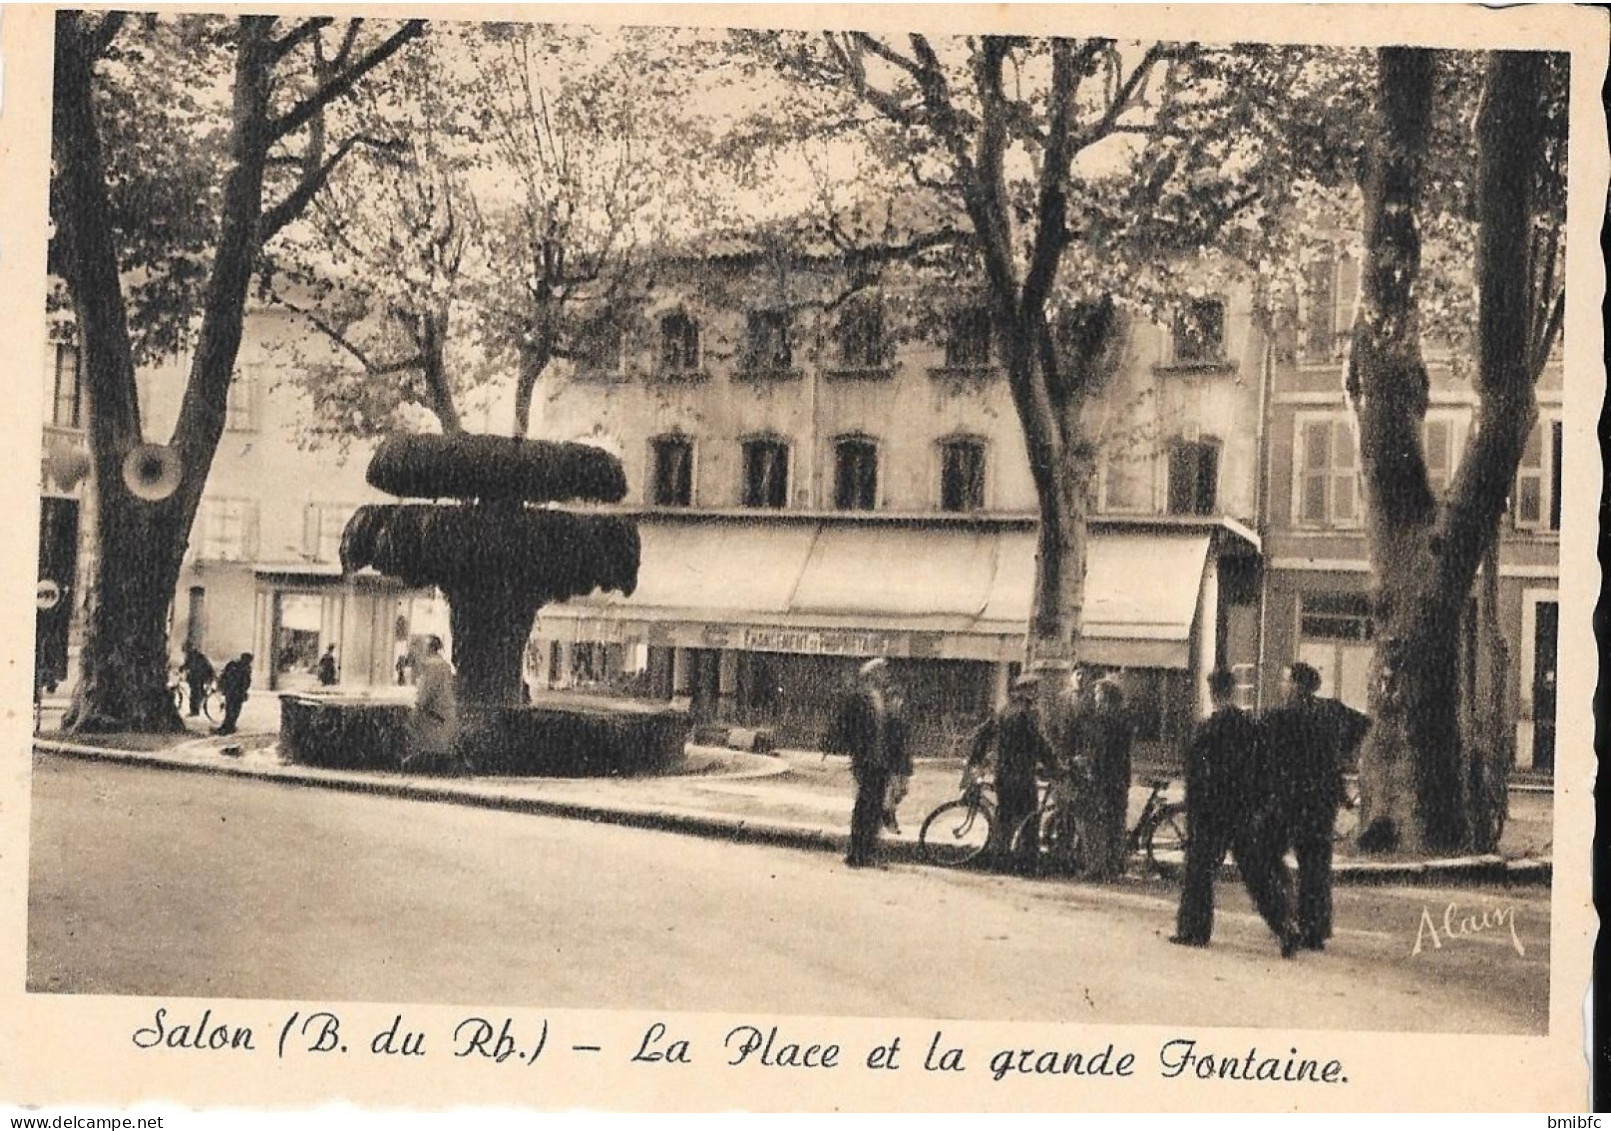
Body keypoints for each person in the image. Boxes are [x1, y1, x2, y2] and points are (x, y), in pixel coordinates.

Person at [1172, 667, 1300, 956]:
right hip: (1242, 811)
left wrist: (1194, 813)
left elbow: (1195, 778)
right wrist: (1258, 805)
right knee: (1257, 875)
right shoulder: (1251, 727)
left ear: (1213, 693)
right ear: (1232, 691)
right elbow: (1265, 771)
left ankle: (1194, 930)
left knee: (1199, 873)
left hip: (1209, 814)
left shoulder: (1205, 730)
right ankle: (1285, 926)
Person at [1262, 661, 1350, 951]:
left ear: (1298, 686)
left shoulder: (1280, 718)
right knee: (1316, 867)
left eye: (1286, 681)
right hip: (1320, 804)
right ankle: (1314, 928)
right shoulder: (1330, 713)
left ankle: (1284, 915)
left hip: (1288, 802)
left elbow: (1268, 761)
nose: (1282, 686)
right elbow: (1356, 730)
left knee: (1267, 855)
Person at [966, 672, 1056, 873]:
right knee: (1030, 818)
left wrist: (975, 760)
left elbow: (982, 734)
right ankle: (1027, 865)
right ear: (1025, 691)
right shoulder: (1028, 713)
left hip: (1003, 773)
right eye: (1034, 689)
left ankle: (999, 862)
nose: (1037, 693)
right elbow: (1039, 744)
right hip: (1022, 775)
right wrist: (1054, 766)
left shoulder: (1003, 710)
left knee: (1004, 818)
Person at [826, 658, 894, 868]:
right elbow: (846, 725)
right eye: (882, 672)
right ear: (872, 675)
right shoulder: (860, 698)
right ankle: (857, 852)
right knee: (865, 806)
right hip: (866, 760)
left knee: (875, 807)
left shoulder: (883, 699)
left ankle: (867, 851)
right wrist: (855, 750)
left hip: (881, 761)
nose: (886, 677)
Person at [1084, 677, 1135, 880]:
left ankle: (1100, 868)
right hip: (1120, 778)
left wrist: (1090, 768)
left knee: (1100, 822)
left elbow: (1101, 753)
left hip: (1105, 778)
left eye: (1098, 695)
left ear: (1106, 698)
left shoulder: (1105, 721)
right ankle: (1115, 866)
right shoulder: (1123, 719)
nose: (1095, 699)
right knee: (1116, 822)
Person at [406, 635, 459, 771]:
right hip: (445, 714)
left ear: (429, 648)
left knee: (430, 751)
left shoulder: (432, 667)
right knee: (441, 751)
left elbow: (425, 694)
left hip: (434, 717)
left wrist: (415, 712)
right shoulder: (444, 666)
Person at [881, 684, 912, 834]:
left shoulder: (900, 720)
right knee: (891, 793)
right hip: (892, 763)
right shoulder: (886, 721)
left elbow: (904, 744)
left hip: (902, 762)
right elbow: (888, 745)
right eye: (894, 700)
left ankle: (886, 815)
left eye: (899, 700)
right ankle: (889, 820)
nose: (898, 703)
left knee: (901, 792)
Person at [214, 653, 253, 736]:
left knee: (230, 709)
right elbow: (246, 683)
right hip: (237, 692)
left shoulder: (233, 664)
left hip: (231, 691)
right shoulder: (245, 668)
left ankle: (227, 726)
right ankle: (229, 727)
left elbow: (224, 675)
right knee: (234, 710)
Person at [178, 644, 214, 718]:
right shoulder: (194, 656)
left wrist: (182, 669)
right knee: (195, 692)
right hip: (198, 676)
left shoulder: (194, 657)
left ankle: (194, 711)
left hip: (200, 676)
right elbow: (187, 665)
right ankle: (197, 704)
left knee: (195, 694)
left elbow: (191, 666)